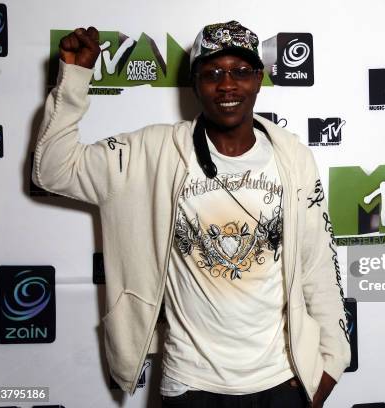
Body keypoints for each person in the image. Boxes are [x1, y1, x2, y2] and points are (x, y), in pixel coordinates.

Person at [33, 21, 350, 408]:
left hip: (283, 382)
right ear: (195, 83)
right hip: (190, 385)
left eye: (240, 71)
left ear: (259, 79)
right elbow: (53, 170)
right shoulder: (154, 153)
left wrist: (332, 365)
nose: (228, 85)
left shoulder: (293, 157)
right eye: (213, 73)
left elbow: (317, 265)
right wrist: (74, 79)